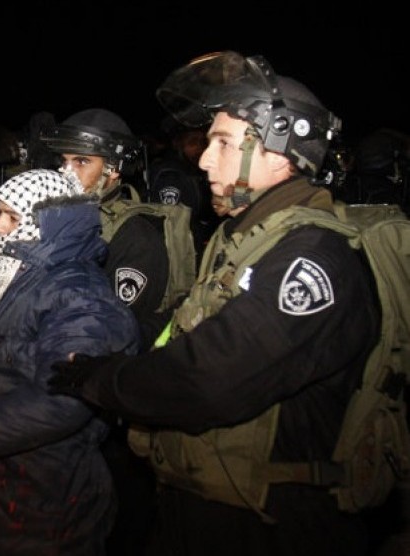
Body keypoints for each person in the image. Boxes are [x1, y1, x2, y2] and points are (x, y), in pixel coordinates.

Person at [48, 51, 382, 556]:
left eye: (222, 142)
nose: (203, 159)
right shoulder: (244, 238)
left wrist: (103, 378)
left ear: (280, 153)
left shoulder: (312, 257)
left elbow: (208, 377)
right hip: (208, 509)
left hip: (274, 525)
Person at [0, 168, 141, 554]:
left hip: (46, 495)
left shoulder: (80, 295)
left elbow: (65, 397)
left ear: (45, 225)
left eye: (12, 217)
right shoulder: (16, 274)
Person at [39, 107, 192, 554]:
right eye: (63, 161)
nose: (67, 173)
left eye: (81, 162)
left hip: (114, 420)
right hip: (66, 401)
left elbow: (113, 336)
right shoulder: (60, 221)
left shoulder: (133, 237)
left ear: (114, 171)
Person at [147, 117, 220, 258]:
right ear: (178, 144)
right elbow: (171, 228)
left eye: (202, 142)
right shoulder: (171, 176)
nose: (199, 148)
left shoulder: (193, 172)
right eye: (192, 142)